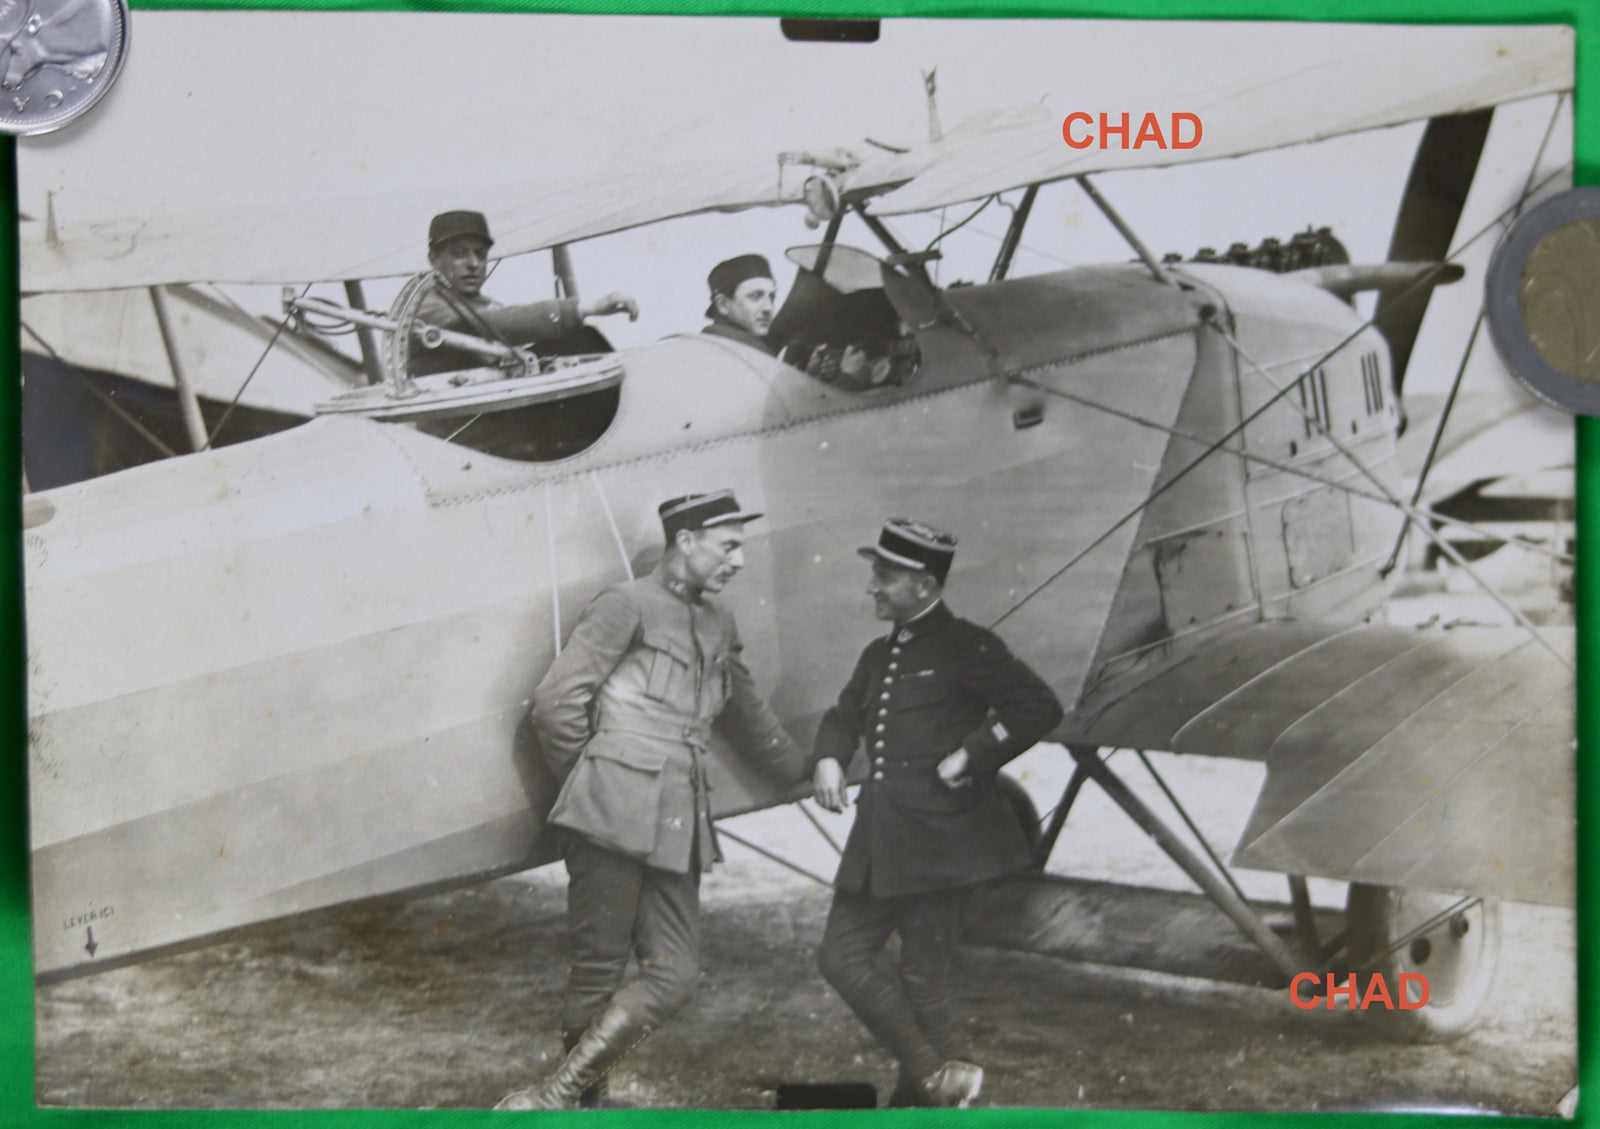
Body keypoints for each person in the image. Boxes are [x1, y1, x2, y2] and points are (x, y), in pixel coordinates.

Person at [495, 490, 828, 1110]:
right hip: (611, 805)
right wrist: (592, 784)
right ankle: (582, 1106)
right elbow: (557, 703)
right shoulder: (626, 605)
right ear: (687, 540)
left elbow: (748, 712)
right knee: (599, 967)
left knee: (674, 973)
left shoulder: (718, 622)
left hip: (678, 814)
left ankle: (553, 1095)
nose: (739, 562)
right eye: (729, 546)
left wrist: (811, 770)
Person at [809, 518, 1065, 1108]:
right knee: (840, 957)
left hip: (943, 844)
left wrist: (972, 756)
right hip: (882, 839)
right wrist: (828, 757)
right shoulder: (880, 653)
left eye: (885, 576)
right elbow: (845, 715)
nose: (873, 586)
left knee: (924, 980)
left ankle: (924, 1090)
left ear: (924, 584)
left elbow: (1036, 704)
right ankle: (937, 1075)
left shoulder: (967, 646)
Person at [410, 210, 639, 377]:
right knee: (584, 342)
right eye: (459, 254)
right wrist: (584, 308)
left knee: (581, 341)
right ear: (433, 259)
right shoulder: (421, 304)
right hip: (459, 428)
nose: (473, 264)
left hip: (492, 408)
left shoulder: (476, 303)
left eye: (480, 254)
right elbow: (492, 324)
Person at [701, 254, 779, 356]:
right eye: (755, 296)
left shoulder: (710, 343)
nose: (768, 308)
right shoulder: (747, 351)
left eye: (771, 297)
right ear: (723, 304)